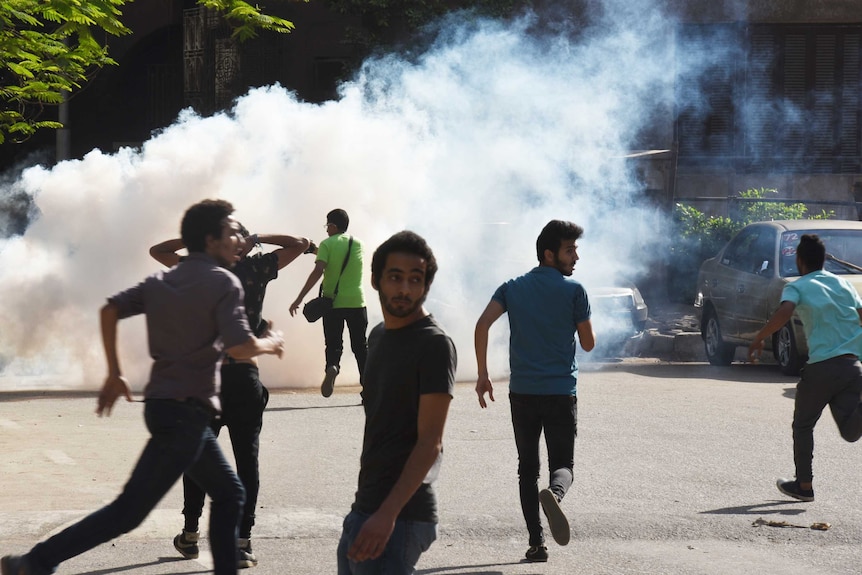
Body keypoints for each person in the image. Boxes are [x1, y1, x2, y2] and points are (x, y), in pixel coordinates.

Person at [1, 199, 285, 575]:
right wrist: (271, 343)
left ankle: (34, 563)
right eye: (232, 232)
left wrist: (114, 373)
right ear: (211, 239)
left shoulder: (162, 280)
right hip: (186, 414)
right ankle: (34, 562)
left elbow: (109, 310)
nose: (240, 239)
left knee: (225, 494)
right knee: (132, 511)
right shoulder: (224, 282)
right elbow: (240, 346)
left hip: (167, 409)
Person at [150, 226, 312, 568]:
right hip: (242, 378)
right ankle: (242, 541)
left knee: (197, 456)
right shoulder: (257, 268)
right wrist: (258, 238)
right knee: (246, 461)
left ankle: (191, 533)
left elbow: (158, 252)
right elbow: (298, 243)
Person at [474, 219, 595, 563]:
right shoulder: (575, 292)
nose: (576, 257)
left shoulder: (512, 287)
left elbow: (482, 324)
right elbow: (587, 344)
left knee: (527, 469)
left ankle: (535, 542)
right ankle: (555, 495)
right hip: (560, 393)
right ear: (549, 254)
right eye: (569, 250)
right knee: (563, 465)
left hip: (522, 393)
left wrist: (483, 374)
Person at [336, 231, 456, 575]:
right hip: (366, 507)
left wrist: (386, 515)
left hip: (401, 516)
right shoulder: (378, 335)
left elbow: (430, 443)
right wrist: (366, 511)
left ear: (426, 287)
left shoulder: (434, 344)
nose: (404, 289)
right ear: (375, 281)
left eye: (415, 280)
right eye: (395, 277)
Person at [748, 233, 862, 502]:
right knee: (849, 432)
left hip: (822, 368)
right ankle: (803, 484)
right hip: (852, 367)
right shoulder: (844, 285)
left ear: (800, 261)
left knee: (803, 426)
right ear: (823, 261)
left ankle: (804, 486)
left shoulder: (797, 286)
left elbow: (784, 312)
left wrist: (759, 337)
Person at [289, 209, 367, 397]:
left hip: (333, 304)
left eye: (327, 226)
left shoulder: (326, 244)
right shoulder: (358, 243)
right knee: (360, 347)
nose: (326, 230)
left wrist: (299, 298)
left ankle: (332, 367)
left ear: (333, 225)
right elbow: (341, 259)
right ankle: (369, 391)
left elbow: (319, 271)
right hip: (357, 302)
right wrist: (315, 251)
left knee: (333, 344)